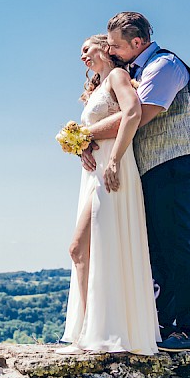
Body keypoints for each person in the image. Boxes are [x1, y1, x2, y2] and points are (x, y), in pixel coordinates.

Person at [80, 12, 190, 352]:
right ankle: (162, 325)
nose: (113, 51)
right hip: (149, 169)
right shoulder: (132, 71)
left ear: (138, 43)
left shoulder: (165, 66)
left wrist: (82, 134)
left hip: (173, 163)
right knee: (153, 249)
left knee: (175, 243)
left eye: (118, 46)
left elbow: (140, 114)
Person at [57, 34, 160, 355]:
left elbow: (133, 112)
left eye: (86, 48)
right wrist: (81, 147)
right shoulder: (95, 90)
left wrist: (112, 158)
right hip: (93, 172)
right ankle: (88, 332)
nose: (82, 56)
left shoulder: (117, 76)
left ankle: (94, 333)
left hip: (111, 170)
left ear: (105, 47)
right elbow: (96, 130)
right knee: (87, 250)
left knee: (82, 248)